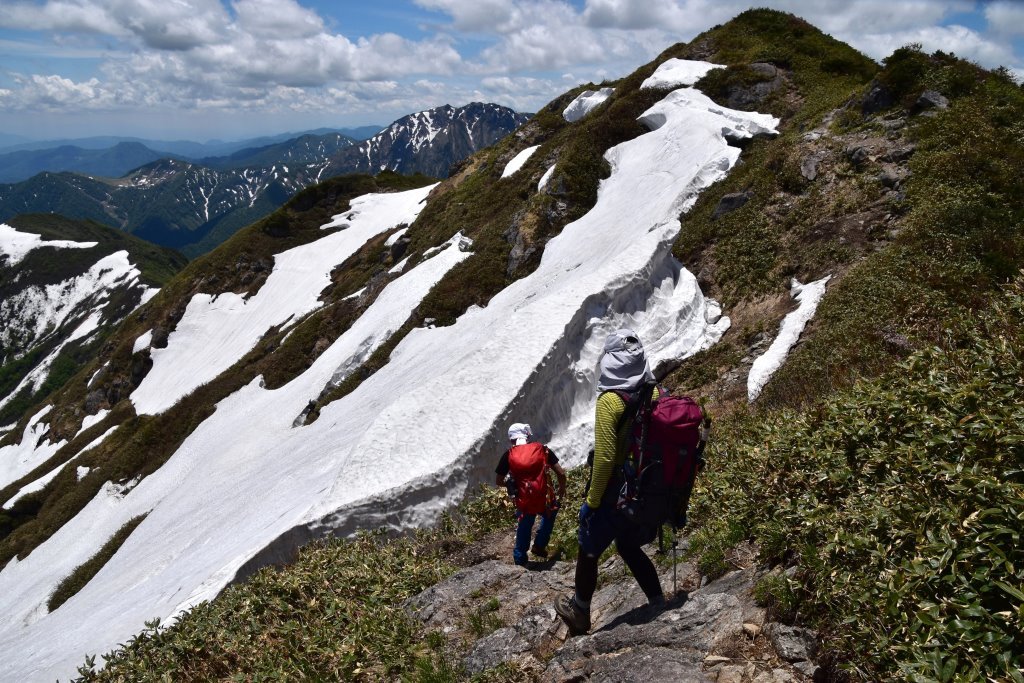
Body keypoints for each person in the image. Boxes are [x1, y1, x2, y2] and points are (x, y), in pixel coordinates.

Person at [554, 328, 665, 634]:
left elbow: (603, 459)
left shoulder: (610, 401)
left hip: (617, 488)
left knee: (588, 548)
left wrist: (591, 502)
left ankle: (580, 611)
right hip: (644, 482)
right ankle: (657, 600)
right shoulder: (653, 390)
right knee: (628, 544)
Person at [495, 423, 567, 566]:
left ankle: (520, 558)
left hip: (524, 499)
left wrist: (513, 485)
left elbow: (499, 481)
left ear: (512, 439)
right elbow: (561, 472)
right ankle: (539, 545)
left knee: (525, 524)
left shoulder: (508, 455)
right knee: (550, 513)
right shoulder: (542, 450)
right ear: (527, 436)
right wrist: (562, 488)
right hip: (544, 497)